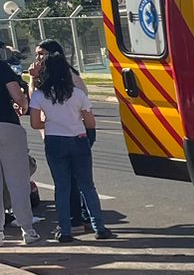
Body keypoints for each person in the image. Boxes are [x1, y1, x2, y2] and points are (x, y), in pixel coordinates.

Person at [28, 52, 111, 242]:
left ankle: (65, 231)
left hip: (55, 141)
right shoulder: (77, 94)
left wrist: (50, 123)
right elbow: (90, 123)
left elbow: (34, 123)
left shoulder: (40, 95)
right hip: (78, 139)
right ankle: (100, 228)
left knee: (62, 187)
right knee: (87, 186)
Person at [32, 40, 94, 233]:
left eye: (41, 54)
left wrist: (53, 123)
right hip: (56, 134)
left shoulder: (67, 76)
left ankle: (77, 221)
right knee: (71, 181)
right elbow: (34, 102)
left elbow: (83, 106)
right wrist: (33, 78)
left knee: (74, 182)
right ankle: (82, 221)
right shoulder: (42, 78)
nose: (37, 58)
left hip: (74, 133)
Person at [0, 52, 41, 243]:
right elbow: (17, 95)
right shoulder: (2, 67)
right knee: (18, 183)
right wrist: (22, 106)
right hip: (7, 125)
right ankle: (28, 230)